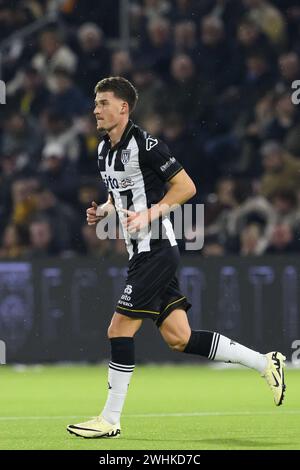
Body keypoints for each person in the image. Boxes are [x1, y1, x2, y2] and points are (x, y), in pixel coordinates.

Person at [67, 77, 286, 439]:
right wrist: (104, 211)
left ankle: (110, 419)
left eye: (103, 103)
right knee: (179, 338)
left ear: (124, 108)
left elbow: (186, 187)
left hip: (156, 249)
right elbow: (118, 196)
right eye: (96, 103)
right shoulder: (104, 149)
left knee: (118, 328)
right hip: (140, 254)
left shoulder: (147, 144)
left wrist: (151, 214)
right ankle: (266, 362)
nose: (95, 109)